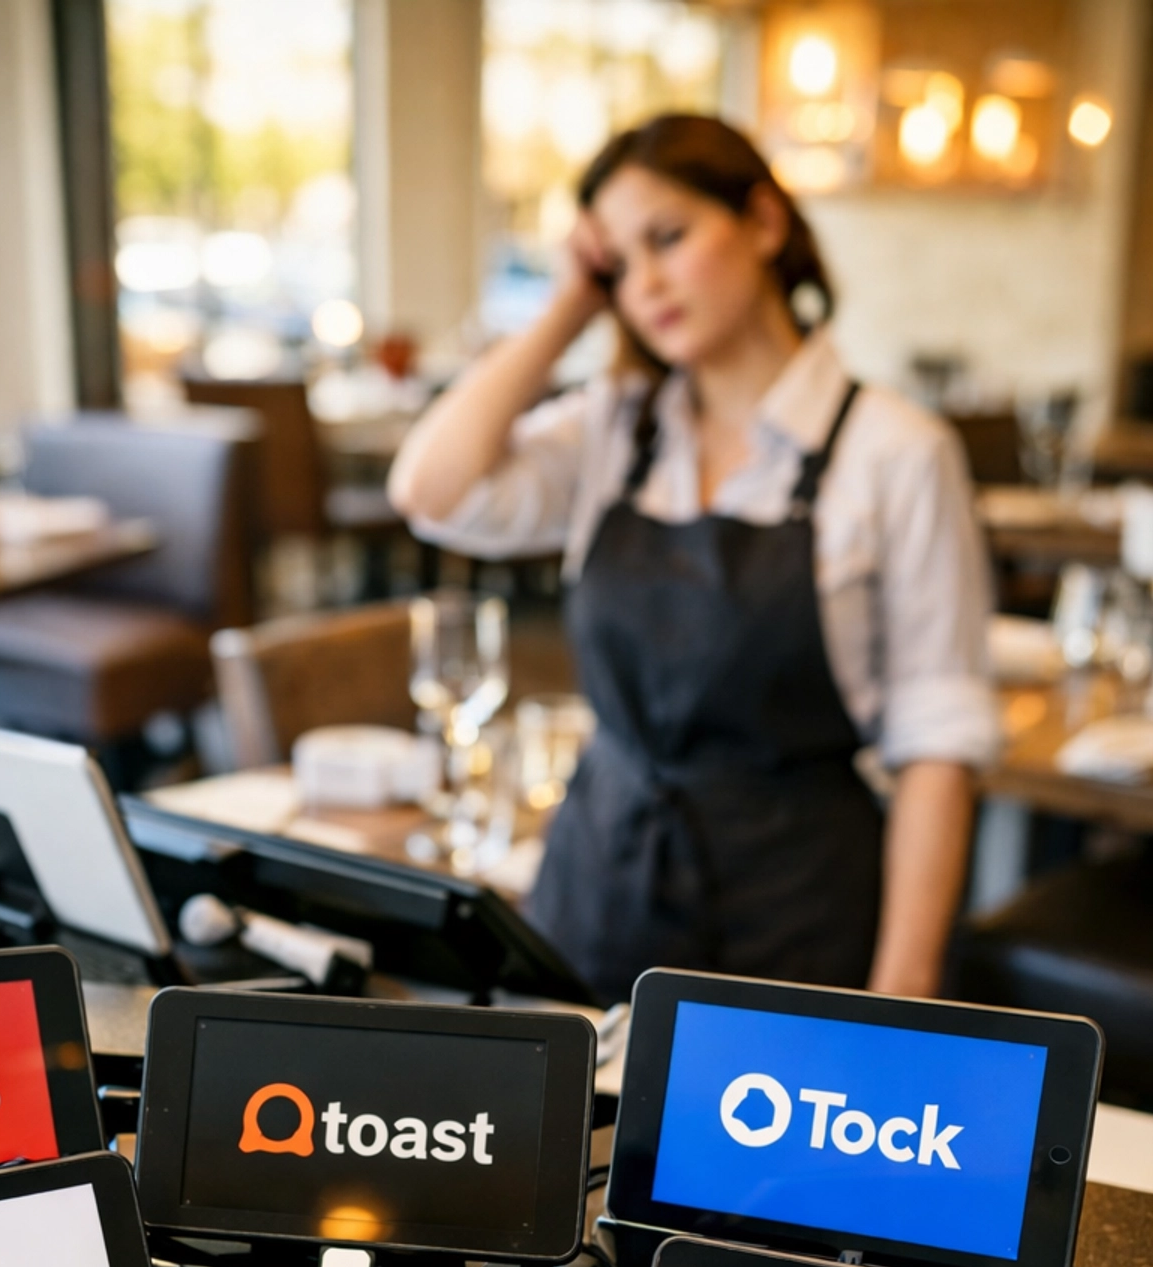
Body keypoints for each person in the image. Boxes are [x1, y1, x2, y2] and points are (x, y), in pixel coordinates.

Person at [388, 114, 995, 1008]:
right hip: (597, 892)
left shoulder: (897, 452)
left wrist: (900, 996)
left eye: (668, 238)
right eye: (618, 265)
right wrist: (567, 309)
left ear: (764, 221)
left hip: (797, 916)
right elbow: (430, 491)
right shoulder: (615, 428)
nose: (646, 285)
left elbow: (938, 744)